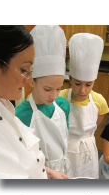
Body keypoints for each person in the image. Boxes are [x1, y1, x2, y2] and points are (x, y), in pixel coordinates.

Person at [0, 25, 48, 179]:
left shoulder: (2, 104)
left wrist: (45, 172)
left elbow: (22, 156)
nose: (29, 80)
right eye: (24, 70)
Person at [14, 26, 70, 177]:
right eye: (47, 89)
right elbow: (22, 158)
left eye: (59, 88)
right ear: (31, 81)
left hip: (64, 171)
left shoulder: (63, 105)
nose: (54, 95)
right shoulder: (20, 115)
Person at [63, 31, 107, 178]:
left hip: (89, 150)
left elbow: (97, 123)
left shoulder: (99, 101)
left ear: (94, 81)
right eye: (77, 83)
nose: (82, 90)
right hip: (66, 147)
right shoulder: (61, 97)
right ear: (70, 78)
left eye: (88, 85)